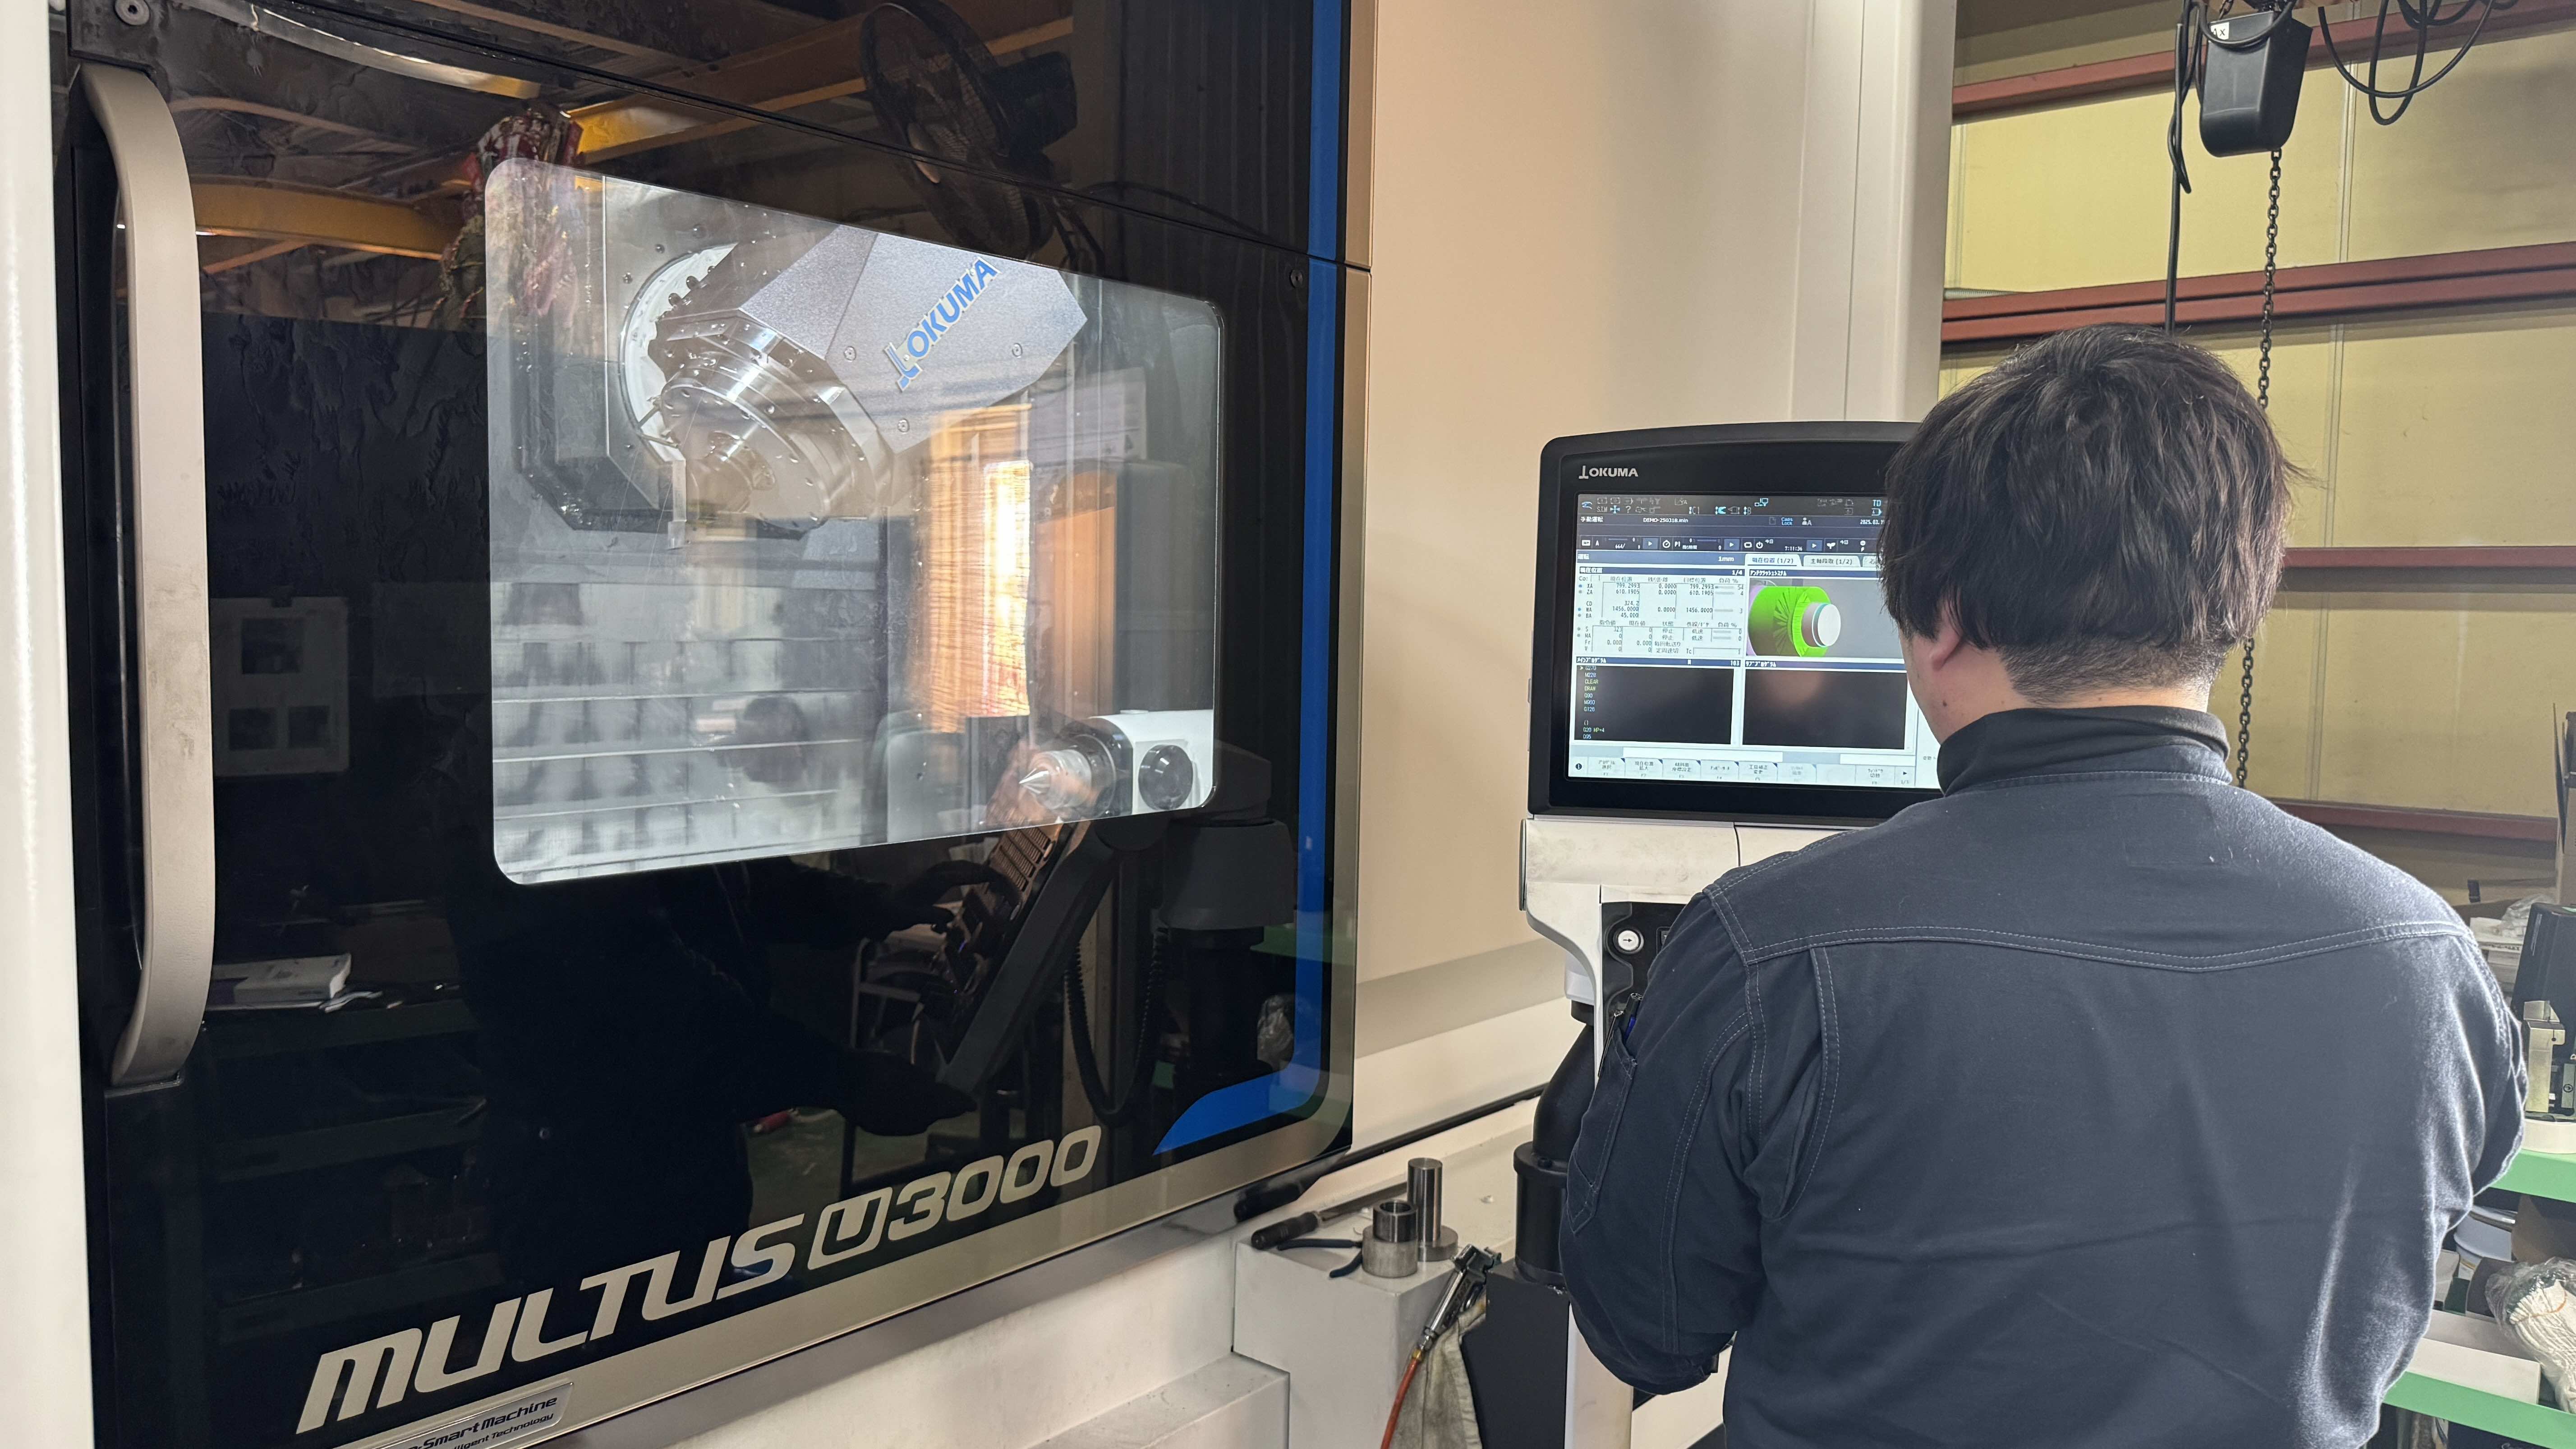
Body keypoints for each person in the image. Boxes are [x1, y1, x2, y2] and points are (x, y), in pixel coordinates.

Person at [1559, 325, 2524, 1449]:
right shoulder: (2428, 959)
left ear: (1941, 612)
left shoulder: (1766, 950)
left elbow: (1644, 1330)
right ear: (2236, 599)